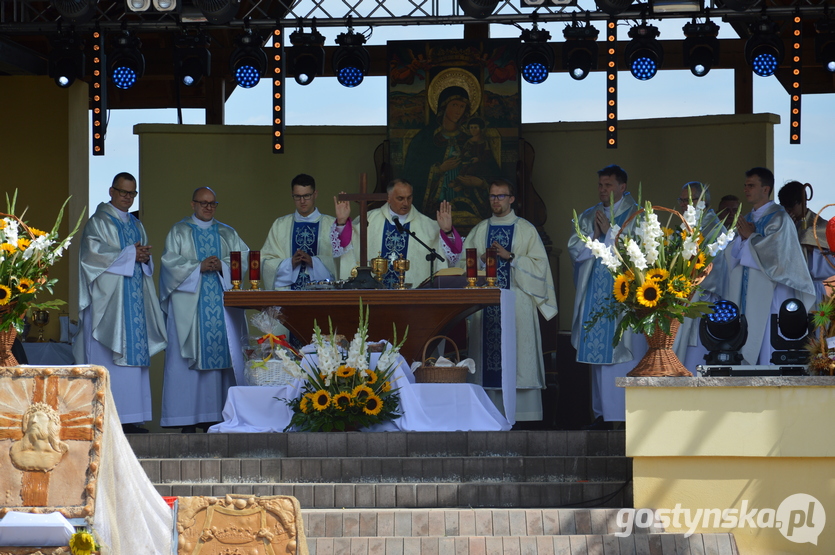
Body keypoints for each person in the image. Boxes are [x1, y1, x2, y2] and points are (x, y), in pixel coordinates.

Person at [73, 172, 167, 434]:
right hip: (110, 305)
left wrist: (145, 258)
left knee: (133, 363)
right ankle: (108, 418)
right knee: (110, 358)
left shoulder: (137, 225)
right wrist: (130, 254)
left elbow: (145, 260)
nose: (128, 197)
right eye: (123, 192)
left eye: (132, 193)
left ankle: (132, 417)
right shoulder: (99, 222)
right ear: (111, 191)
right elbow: (91, 257)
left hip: (133, 301)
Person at [462, 180, 557, 422]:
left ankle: (525, 414)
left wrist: (511, 257)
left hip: (517, 304)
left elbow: (540, 268)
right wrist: (482, 260)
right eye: (492, 196)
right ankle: (488, 413)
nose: (496, 201)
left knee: (517, 356)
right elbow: (463, 267)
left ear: (511, 199)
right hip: (486, 308)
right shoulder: (480, 230)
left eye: (501, 196)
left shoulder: (526, 229)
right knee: (487, 358)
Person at [159, 187, 249, 433]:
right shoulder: (179, 231)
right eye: (203, 203)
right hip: (190, 308)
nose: (208, 208)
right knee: (187, 362)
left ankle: (218, 416)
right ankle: (187, 418)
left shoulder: (227, 233)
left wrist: (222, 265)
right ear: (193, 204)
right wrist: (198, 266)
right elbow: (169, 264)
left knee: (223, 359)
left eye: (212, 204)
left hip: (221, 308)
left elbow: (245, 259)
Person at [568, 164, 646, 428]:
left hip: (626, 298)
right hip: (596, 295)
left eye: (608, 185)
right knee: (598, 359)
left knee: (626, 352)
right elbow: (575, 251)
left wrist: (612, 233)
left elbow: (644, 252)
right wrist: (595, 235)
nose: (603, 190)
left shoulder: (637, 215)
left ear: (622, 187)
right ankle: (602, 415)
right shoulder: (590, 215)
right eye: (600, 185)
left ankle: (627, 416)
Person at [726, 167, 815, 365]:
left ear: (765, 189)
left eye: (751, 185)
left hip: (773, 291)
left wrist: (750, 238)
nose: (746, 189)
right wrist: (741, 241)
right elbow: (732, 253)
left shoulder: (780, 218)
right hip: (748, 291)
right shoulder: (747, 218)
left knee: (768, 341)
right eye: (745, 185)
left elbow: (776, 256)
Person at [335, 178, 462, 288]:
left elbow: (453, 256)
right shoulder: (368, 220)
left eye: (409, 198)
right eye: (400, 198)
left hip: (412, 301)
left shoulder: (427, 225)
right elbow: (345, 243)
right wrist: (341, 222)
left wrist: (447, 231)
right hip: (375, 296)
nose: (406, 203)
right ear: (389, 198)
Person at [671, 182, 729, 372]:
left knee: (697, 356)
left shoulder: (714, 227)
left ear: (702, 201)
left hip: (702, 299)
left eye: (688, 200)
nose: (683, 204)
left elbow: (719, 265)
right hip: (682, 298)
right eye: (681, 200)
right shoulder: (685, 226)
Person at [261, 174, 344, 290]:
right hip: (288, 297)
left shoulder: (331, 225)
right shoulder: (280, 225)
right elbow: (265, 262)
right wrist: (289, 264)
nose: (302, 201)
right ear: (292, 195)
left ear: (315, 194)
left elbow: (342, 262)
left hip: (322, 298)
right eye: (297, 196)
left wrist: (314, 262)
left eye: (307, 196)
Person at [778, 180, 835, 305]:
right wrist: (788, 230)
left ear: (802, 202)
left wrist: (812, 250)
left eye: (791, 207)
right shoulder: (784, 224)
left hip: (812, 288)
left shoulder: (819, 227)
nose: (788, 211)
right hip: (789, 287)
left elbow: (831, 262)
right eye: (784, 207)